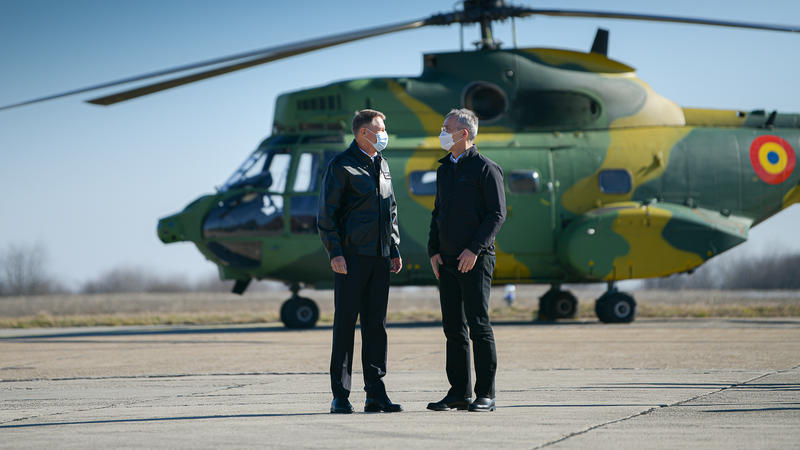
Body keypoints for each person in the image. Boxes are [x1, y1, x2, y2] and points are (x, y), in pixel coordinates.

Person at [318, 109, 403, 414]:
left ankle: (376, 393)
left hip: (380, 258)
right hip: (351, 258)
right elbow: (326, 216)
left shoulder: (382, 164)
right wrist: (335, 252)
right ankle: (340, 394)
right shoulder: (341, 166)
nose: (384, 134)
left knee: (376, 327)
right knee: (345, 325)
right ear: (363, 132)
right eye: (380, 129)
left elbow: (390, 209)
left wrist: (393, 248)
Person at [426, 108, 506, 412]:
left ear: (463, 133)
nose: (442, 132)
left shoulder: (486, 168)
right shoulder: (445, 168)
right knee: (453, 329)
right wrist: (433, 249)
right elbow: (438, 212)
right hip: (446, 260)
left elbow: (497, 214)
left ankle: (486, 393)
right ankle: (458, 392)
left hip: (475, 259)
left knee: (478, 325)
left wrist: (474, 249)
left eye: (447, 128)